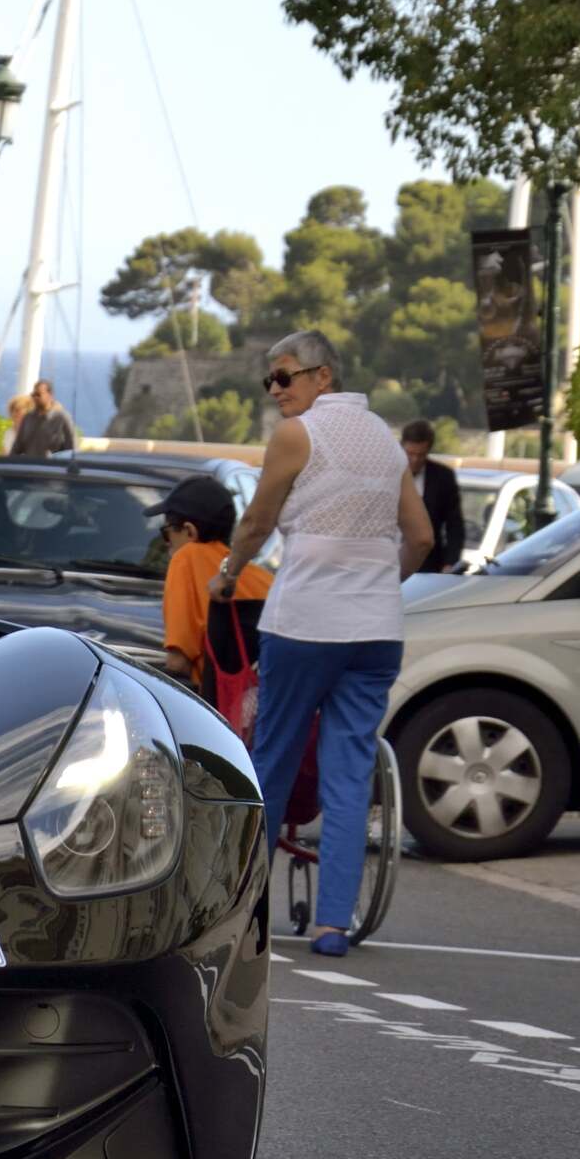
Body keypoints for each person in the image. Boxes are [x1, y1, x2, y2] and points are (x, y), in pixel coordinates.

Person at [209, 329, 434, 957]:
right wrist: (378, 582)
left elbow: (256, 522)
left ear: (322, 377)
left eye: (285, 376)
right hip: (376, 631)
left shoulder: (296, 436)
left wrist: (227, 577)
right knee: (348, 774)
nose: (275, 391)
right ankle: (334, 923)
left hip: (305, 624)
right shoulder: (386, 444)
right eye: (271, 381)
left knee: (273, 761)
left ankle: (243, 912)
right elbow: (419, 537)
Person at [148, 476, 270, 690]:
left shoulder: (186, 559)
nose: (166, 545)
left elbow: (178, 662)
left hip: (209, 704)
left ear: (190, 531)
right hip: (253, 704)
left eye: (166, 533)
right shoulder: (264, 578)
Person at [399, 418, 464, 572]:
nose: (414, 460)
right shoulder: (386, 473)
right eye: (410, 454)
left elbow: (454, 524)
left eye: (421, 455)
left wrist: (450, 562)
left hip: (429, 565)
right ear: (401, 447)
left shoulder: (443, 477)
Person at [8, 381, 76, 456]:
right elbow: (16, 448)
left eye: (38, 395)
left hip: (52, 466)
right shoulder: (28, 418)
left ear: (49, 395)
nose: (35, 397)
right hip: (30, 465)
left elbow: (71, 449)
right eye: (33, 395)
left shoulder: (62, 418)